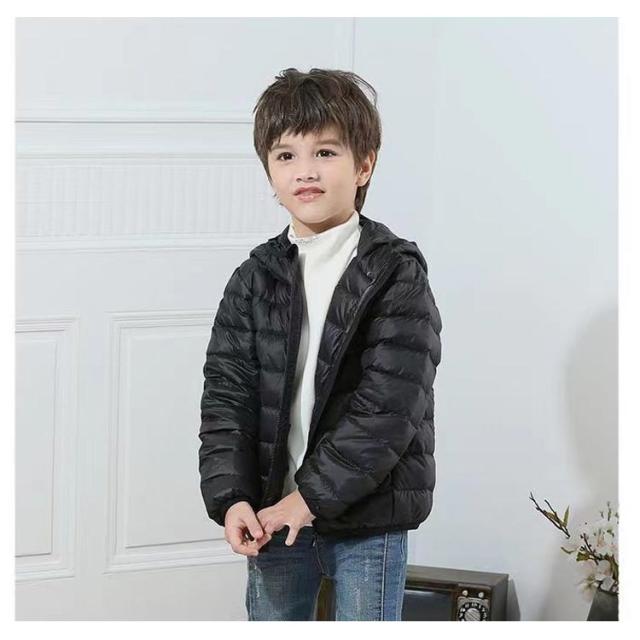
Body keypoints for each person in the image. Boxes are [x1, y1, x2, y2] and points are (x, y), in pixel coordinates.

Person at [198, 68, 442, 621]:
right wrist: (232, 498)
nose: (305, 171)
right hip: (272, 513)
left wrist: (305, 501)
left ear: (364, 165)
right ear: (269, 170)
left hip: (367, 517)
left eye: (325, 153)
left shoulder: (395, 273)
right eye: (286, 155)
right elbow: (226, 403)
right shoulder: (254, 278)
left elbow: (388, 410)